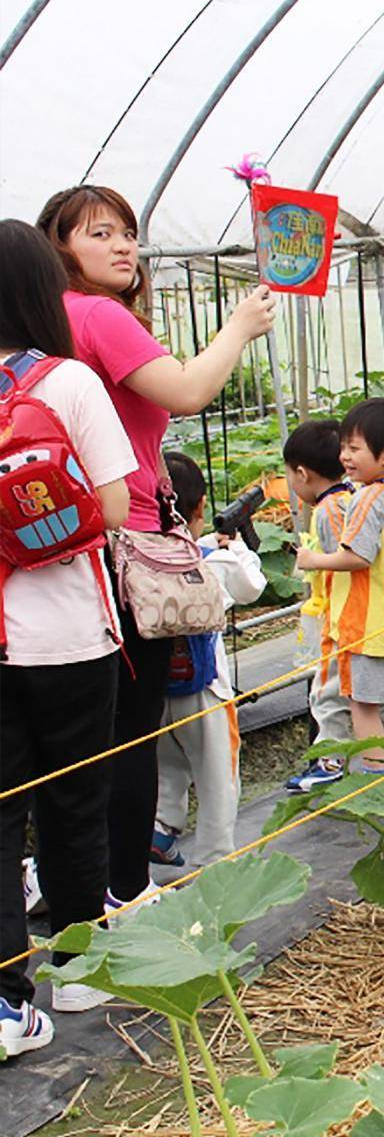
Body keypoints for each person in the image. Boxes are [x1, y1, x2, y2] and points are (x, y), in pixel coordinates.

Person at [36, 186, 276, 910]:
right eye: (99, 233)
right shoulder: (98, 316)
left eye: (129, 234)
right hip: (126, 542)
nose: (122, 247)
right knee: (130, 728)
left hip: (68, 543)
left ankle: (72, 885)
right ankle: (124, 888)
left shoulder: (50, 325)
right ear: (60, 249)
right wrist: (239, 326)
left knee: (81, 734)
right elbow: (185, 391)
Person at [0, 220, 137, 1056]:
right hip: (73, 638)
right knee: (74, 801)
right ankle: (82, 968)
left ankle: (7, 1002)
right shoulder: (68, 383)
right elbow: (117, 508)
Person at [294, 399, 384, 798]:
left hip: (372, 627)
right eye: (344, 447)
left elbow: (357, 556)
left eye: (354, 449)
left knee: (365, 708)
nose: (344, 457)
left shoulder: (369, 498)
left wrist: (313, 559)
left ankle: (376, 781)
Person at [150, 452, 264, 871]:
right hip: (206, 690)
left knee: (166, 763)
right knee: (217, 775)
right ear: (199, 509)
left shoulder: (138, 561)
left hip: (156, 689)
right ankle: (216, 858)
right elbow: (251, 585)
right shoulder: (212, 563)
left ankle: (162, 828)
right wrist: (240, 550)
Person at [282, 420, 357, 792]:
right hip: (351, 612)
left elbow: (345, 557)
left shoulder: (328, 510)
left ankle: (329, 762)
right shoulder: (353, 496)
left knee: (326, 694)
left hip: (337, 614)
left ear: (301, 473)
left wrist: (310, 560)